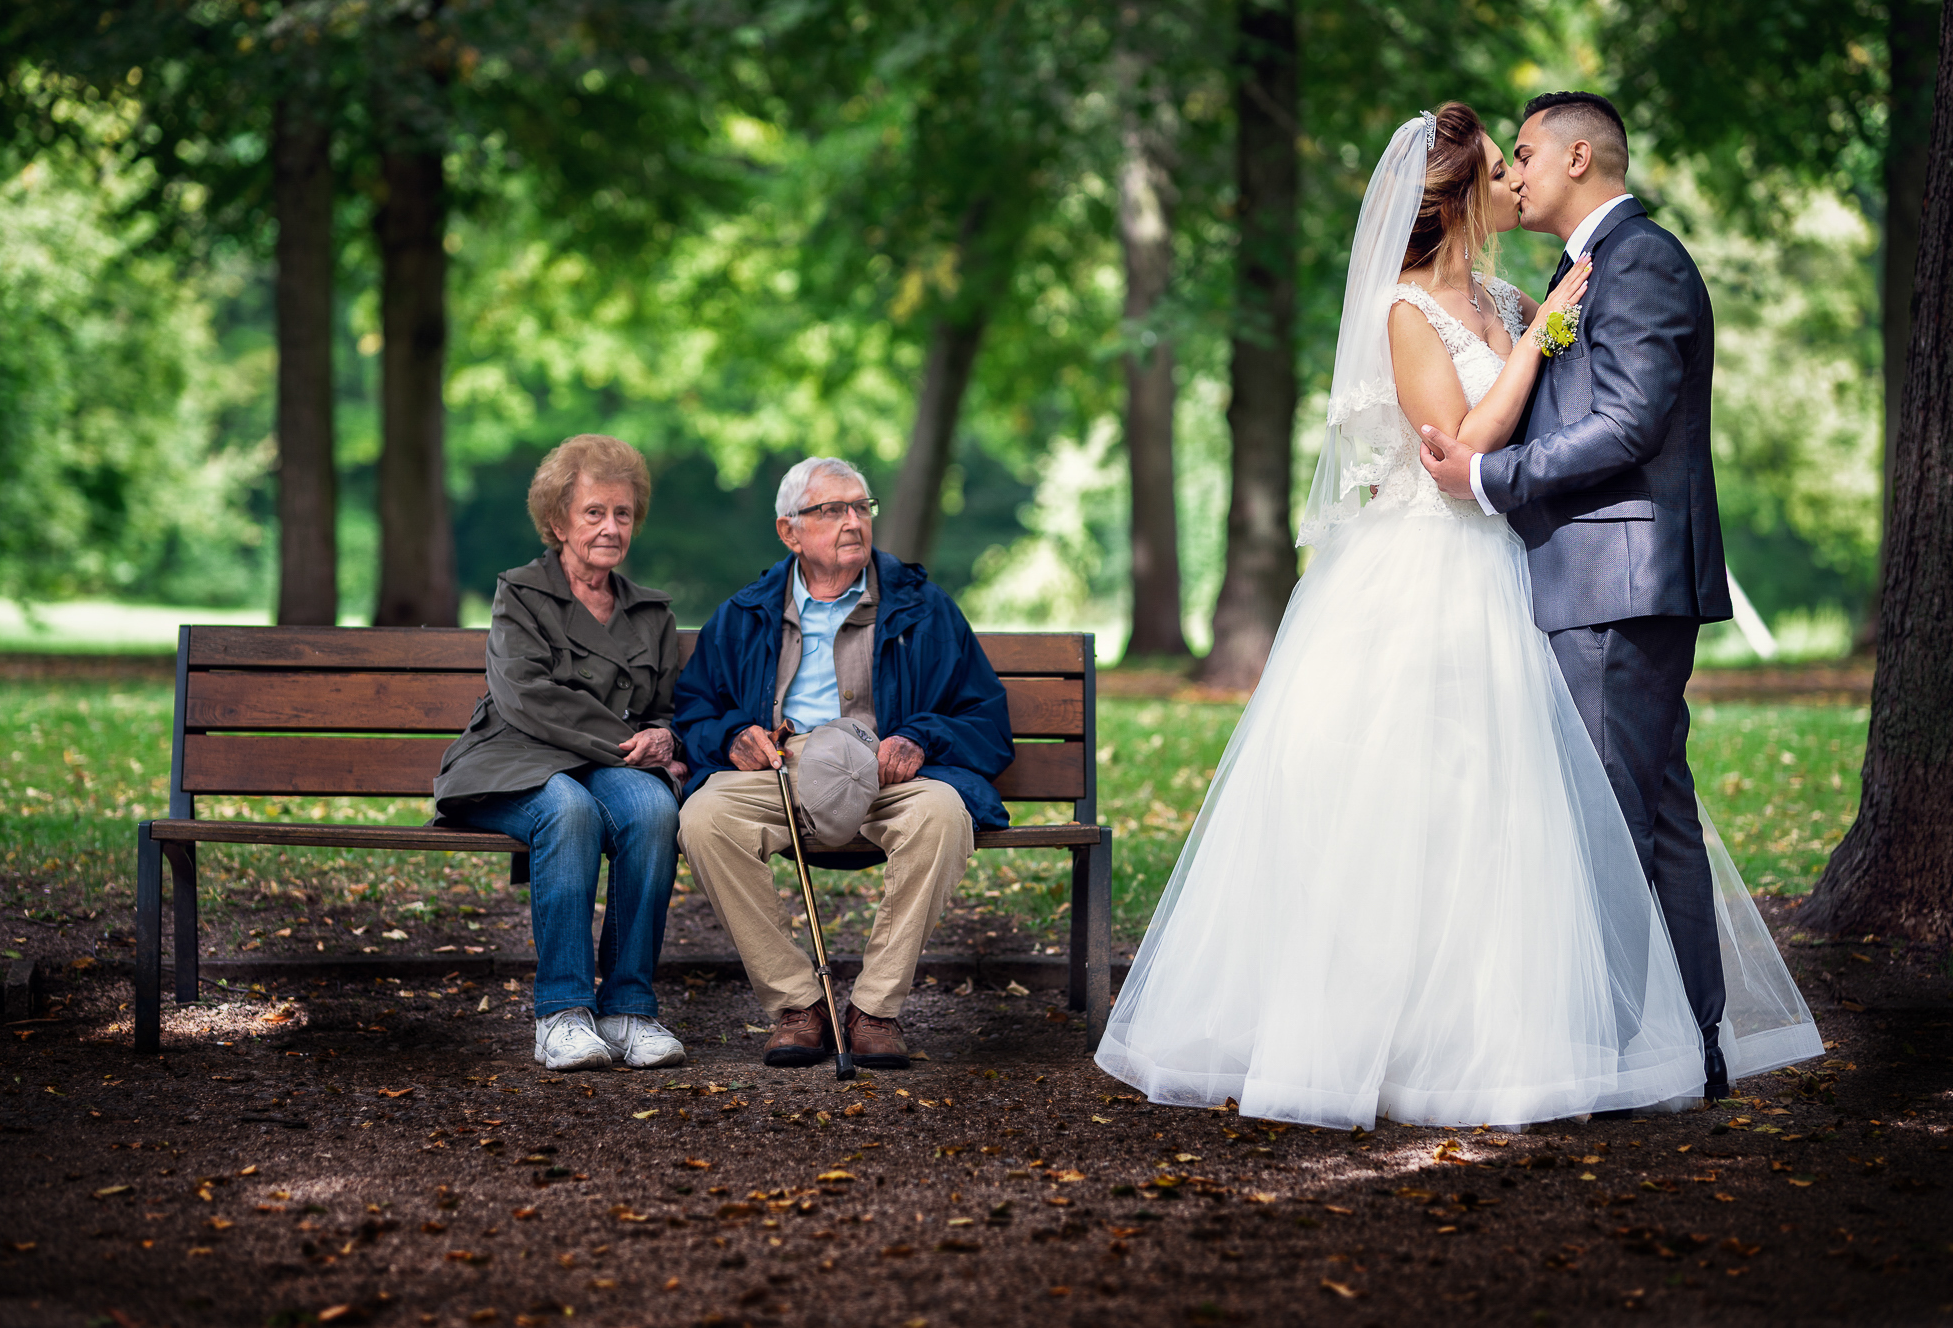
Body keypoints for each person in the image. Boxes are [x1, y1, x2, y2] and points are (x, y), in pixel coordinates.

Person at [1095, 103, 1820, 1131]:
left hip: (1540, 570)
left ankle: (1648, 1037)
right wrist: (1529, 352)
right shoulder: (1419, 308)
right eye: (1498, 166)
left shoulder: (1555, 280)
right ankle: (1446, 1036)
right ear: (1459, 196)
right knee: (1441, 800)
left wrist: (1518, 369)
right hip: (1438, 569)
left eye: (1519, 157)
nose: (1513, 178)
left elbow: (1606, 417)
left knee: (1566, 807)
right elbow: (1457, 447)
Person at [1419, 92, 1826, 1093]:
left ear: (1579, 155)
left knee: (1607, 828)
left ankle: (1610, 1062)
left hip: (1615, 582)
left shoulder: (1640, 260)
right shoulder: (1571, 273)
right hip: (1599, 581)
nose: (1511, 173)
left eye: (1523, 153)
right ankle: (1691, 1044)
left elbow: (1629, 423)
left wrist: (1486, 481)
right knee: (1654, 819)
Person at [673, 457, 1013, 1069]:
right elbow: (693, 710)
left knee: (941, 815)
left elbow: (986, 719)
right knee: (704, 819)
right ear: (790, 531)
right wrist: (731, 736)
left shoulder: (924, 608)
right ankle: (799, 1005)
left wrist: (921, 738)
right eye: (832, 510)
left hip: (886, 769)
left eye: (861, 507)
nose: (853, 521)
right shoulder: (747, 613)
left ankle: (876, 1011)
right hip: (782, 767)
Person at [434, 435, 689, 1072]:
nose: (611, 527)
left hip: (610, 762)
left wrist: (666, 739)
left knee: (654, 809)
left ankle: (630, 1009)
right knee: (568, 810)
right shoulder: (520, 594)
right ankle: (563, 1014)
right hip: (514, 758)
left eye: (623, 514)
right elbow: (528, 697)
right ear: (558, 522)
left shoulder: (651, 611)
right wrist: (631, 745)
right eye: (594, 512)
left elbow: (663, 704)